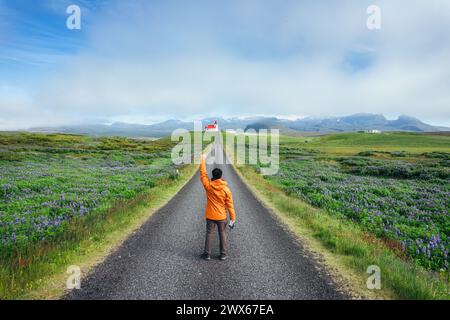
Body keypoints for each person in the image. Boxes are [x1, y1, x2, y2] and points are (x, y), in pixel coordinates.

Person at [199, 154, 236, 261]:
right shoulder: (226, 190)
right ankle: (223, 254)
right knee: (223, 234)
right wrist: (233, 219)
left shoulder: (208, 186)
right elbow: (230, 206)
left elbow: (203, 174)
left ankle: (207, 254)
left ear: (213, 176)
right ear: (221, 176)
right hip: (222, 217)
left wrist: (202, 159)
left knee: (209, 233)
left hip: (210, 215)